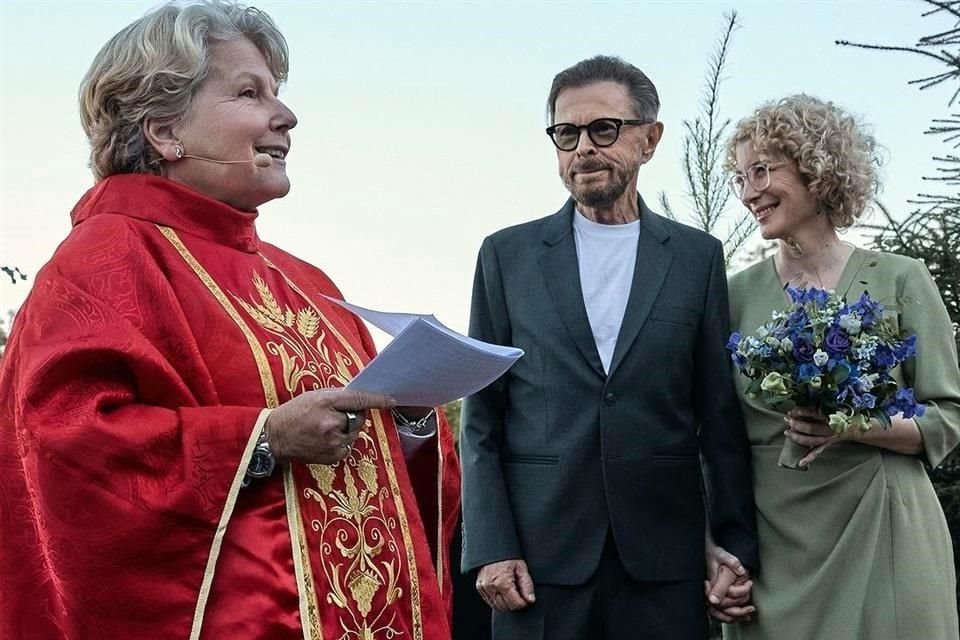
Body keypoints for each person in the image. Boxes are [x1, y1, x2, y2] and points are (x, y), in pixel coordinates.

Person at [0, 2, 460, 638]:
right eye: (250, 92)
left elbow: (381, 462)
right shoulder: (106, 258)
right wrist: (263, 440)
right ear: (165, 131)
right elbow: (65, 450)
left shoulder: (309, 282)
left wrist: (409, 418)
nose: (287, 116)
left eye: (278, 92)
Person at [459, 54, 759, 640]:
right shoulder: (506, 255)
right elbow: (481, 417)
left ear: (649, 139)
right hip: (537, 567)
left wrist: (732, 544)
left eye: (603, 129)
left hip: (664, 564)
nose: (583, 149)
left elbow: (717, 417)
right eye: (566, 133)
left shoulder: (698, 258)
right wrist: (492, 546)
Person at [721, 94, 960, 639]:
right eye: (739, 177)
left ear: (816, 168)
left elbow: (947, 419)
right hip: (774, 547)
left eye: (762, 170)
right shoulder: (730, 297)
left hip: (885, 530)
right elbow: (713, 436)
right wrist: (716, 545)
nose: (749, 191)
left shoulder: (902, 279)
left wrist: (851, 425)